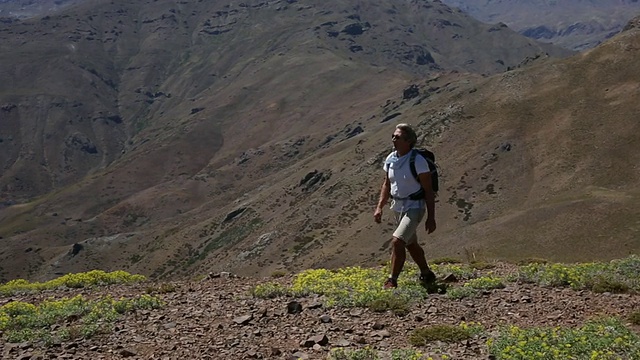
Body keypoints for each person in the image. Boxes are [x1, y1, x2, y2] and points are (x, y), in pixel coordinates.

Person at [374, 123, 437, 289]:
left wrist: (431, 217)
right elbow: (387, 184)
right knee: (410, 243)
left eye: (398, 137)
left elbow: (429, 191)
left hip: (415, 207)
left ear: (408, 141)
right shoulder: (391, 159)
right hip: (398, 207)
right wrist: (380, 206)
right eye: (393, 136)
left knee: (397, 241)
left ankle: (392, 280)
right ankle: (426, 273)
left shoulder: (418, 161)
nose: (393, 139)